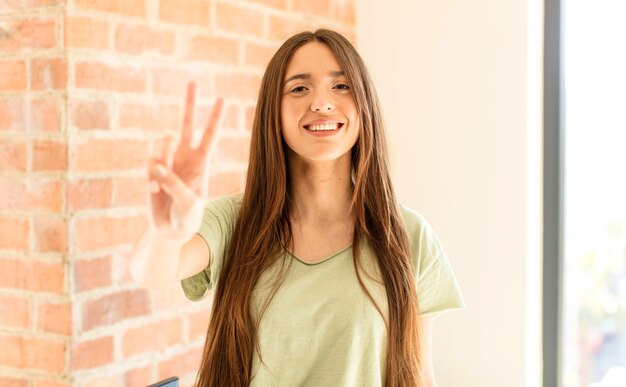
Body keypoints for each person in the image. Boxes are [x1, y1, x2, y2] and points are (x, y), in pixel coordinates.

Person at [129, 29, 463, 387]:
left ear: (364, 104)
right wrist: (166, 232)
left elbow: (419, 374)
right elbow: (149, 272)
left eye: (341, 86)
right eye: (299, 88)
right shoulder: (234, 221)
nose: (321, 102)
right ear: (274, 110)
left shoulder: (409, 236)